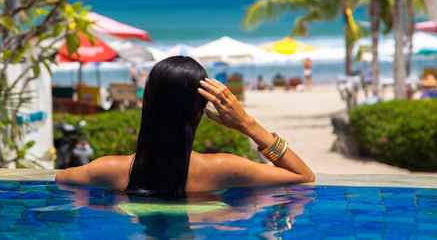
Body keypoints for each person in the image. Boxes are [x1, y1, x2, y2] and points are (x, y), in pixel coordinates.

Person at [56, 56, 314, 197]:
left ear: (147, 103)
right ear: (200, 109)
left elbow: (56, 179)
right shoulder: (225, 169)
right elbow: (303, 177)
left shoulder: (109, 170)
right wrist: (248, 124)